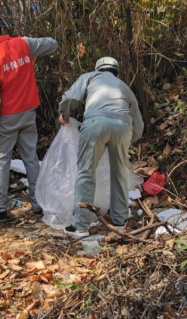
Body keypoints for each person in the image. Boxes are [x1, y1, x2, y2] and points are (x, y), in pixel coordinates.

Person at [0, 20, 58, 220]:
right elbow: (52, 43)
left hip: (7, 116)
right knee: (30, 157)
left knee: (1, 160)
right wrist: (32, 53)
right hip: (29, 111)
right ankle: (39, 203)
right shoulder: (23, 43)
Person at [58, 57, 144, 238]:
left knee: (86, 172)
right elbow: (138, 123)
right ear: (117, 73)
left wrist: (64, 114)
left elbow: (71, 97)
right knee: (119, 173)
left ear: (98, 70)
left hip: (95, 123)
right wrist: (129, 140)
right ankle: (120, 223)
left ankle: (80, 226)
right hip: (123, 126)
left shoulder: (89, 77)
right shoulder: (124, 86)